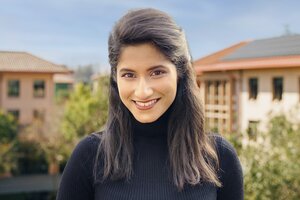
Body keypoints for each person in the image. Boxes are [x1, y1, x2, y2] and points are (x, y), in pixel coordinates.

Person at [56, 8, 243, 200]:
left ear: (180, 73)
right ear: (115, 79)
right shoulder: (89, 157)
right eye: (129, 75)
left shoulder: (220, 156)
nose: (143, 91)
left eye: (157, 72)